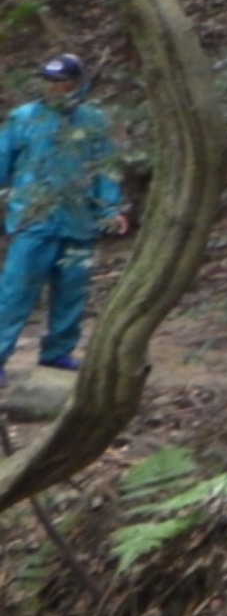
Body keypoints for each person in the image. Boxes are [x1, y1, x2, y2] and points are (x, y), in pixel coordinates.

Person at [0, 53, 126, 384]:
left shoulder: (93, 121)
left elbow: (104, 168)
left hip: (78, 222)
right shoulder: (23, 118)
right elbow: (2, 161)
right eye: (49, 81)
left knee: (72, 291)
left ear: (77, 83)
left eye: (61, 82)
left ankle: (58, 351)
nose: (54, 88)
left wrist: (110, 209)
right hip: (32, 221)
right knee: (15, 291)